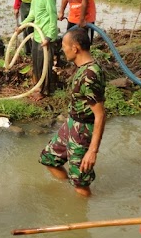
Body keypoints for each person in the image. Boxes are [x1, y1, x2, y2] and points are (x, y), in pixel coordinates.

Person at [39, 28, 106, 197]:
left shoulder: (90, 74)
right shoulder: (82, 67)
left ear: (75, 48)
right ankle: (70, 187)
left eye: (64, 46)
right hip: (71, 124)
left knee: (81, 183)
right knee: (49, 158)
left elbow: (100, 114)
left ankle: (82, 200)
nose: (63, 49)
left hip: (82, 131)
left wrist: (92, 151)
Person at [20, 0, 58, 99]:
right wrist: (22, 25)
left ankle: (45, 91)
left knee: (45, 64)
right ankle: (38, 86)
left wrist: (49, 37)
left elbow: (53, 17)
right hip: (37, 33)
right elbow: (33, 13)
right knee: (36, 62)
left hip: (45, 35)